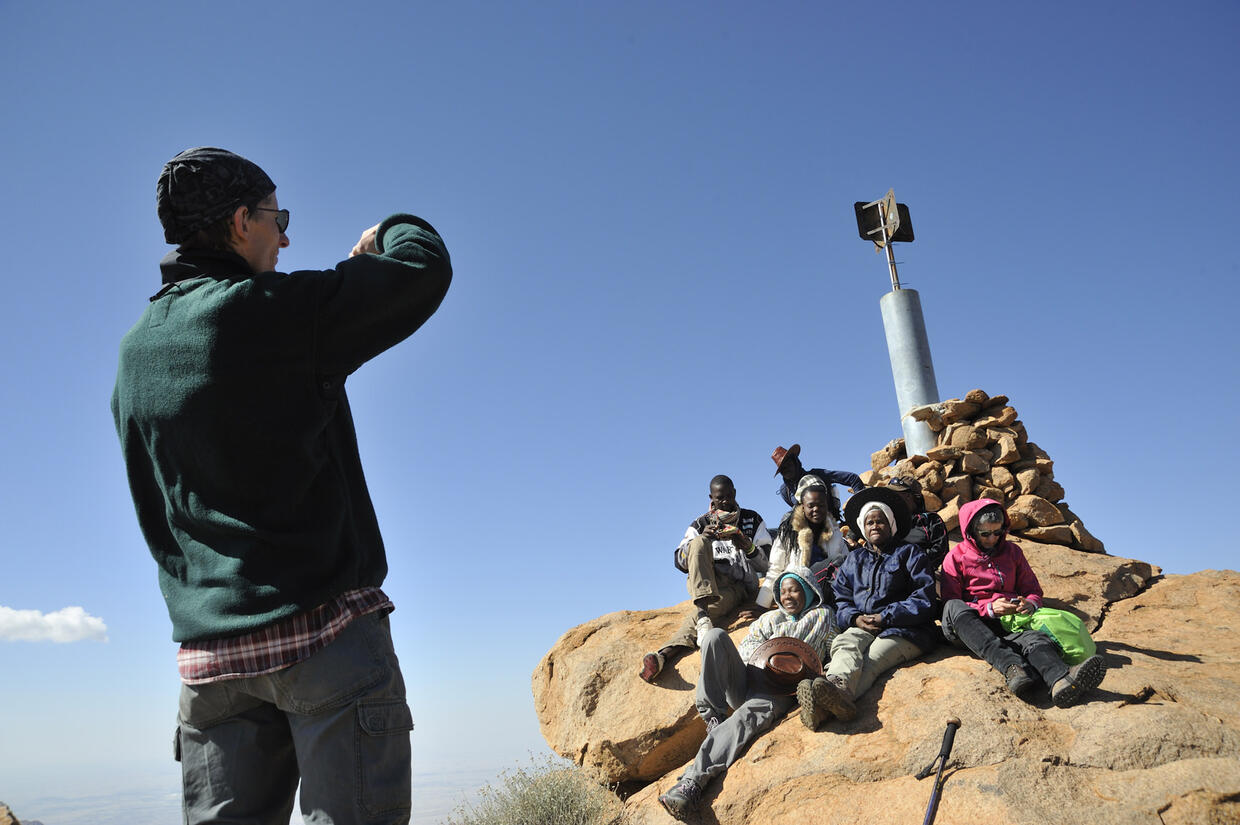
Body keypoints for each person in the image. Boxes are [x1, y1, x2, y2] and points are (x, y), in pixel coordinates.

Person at [112, 147, 452, 824]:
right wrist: (386, 233)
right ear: (242, 223)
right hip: (323, 636)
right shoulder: (276, 311)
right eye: (277, 217)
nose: (286, 235)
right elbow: (424, 267)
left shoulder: (135, 352)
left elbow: (154, 509)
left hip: (211, 665)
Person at [658, 566, 837, 819]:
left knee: (742, 720)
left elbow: (834, 648)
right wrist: (769, 656)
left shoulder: (824, 616)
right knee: (714, 636)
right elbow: (748, 647)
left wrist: (826, 675)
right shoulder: (769, 619)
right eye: (783, 591)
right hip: (749, 678)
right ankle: (713, 717)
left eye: (794, 590)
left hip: (779, 692)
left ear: (808, 590)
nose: (787, 596)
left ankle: (691, 784)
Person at [941, 499, 1106, 707]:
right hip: (969, 626)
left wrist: (1030, 603)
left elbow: (1033, 590)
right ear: (971, 531)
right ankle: (1012, 666)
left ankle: (1060, 680)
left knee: (1034, 638)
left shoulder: (1013, 552)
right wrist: (989, 609)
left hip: (1009, 622)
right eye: (985, 534)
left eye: (997, 532)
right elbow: (950, 600)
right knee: (953, 607)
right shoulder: (955, 557)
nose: (992, 538)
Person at [801, 487, 938, 724]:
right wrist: (854, 619)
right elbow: (842, 598)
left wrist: (886, 616)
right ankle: (836, 689)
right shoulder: (854, 559)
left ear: (891, 524)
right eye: (869, 522)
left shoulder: (910, 554)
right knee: (845, 644)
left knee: (872, 658)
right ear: (863, 528)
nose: (874, 526)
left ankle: (826, 706)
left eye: (880, 521)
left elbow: (924, 598)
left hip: (905, 630)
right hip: (863, 624)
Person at [641, 475, 772, 683]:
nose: (726, 502)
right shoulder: (700, 522)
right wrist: (704, 539)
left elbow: (768, 565)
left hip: (738, 585)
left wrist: (746, 545)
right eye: (720, 498)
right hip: (709, 583)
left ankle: (664, 655)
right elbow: (679, 561)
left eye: (729, 496)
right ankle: (697, 623)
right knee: (699, 542)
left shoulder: (752, 519)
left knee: (707, 613)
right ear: (711, 497)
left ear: (735, 493)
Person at [757, 474, 850, 609]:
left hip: (827, 591)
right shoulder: (788, 532)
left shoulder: (834, 532)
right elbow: (775, 568)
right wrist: (762, 605)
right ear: (802, 505)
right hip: (797, 593)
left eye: (821, 504)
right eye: (811, 505)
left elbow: (846, 565)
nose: (816, 509)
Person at [771, 443, 864, 524]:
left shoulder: (818, 475)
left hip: (831, 527)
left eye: (788, 464)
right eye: (782, 468)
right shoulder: (785, 491)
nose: (786, 469)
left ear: (795, 462)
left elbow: (853, 478)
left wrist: (860, 508)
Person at [885, 476, 949, 573]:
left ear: (909, 496)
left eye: (896, 494)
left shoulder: (931, 520)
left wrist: (911, 561)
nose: (891, 499)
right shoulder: (887, 521)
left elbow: (941, 551)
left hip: (922, 575)